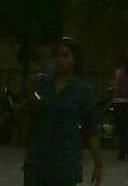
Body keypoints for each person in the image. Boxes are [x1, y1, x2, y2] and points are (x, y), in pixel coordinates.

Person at [23, 38, 102, 186]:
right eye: (57, 55)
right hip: (38, 161)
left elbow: (90, 129)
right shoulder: (41, 84)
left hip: (66, 162)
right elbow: (28, 117)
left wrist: (98, 163)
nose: (60, 59)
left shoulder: (83, 90)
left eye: (66, 55)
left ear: (75, 61)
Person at [110, 55, 128, 162]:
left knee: (120, 129)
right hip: (127, 102)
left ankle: (122, 153)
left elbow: (115, 87)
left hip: (118, 102)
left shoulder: (118, 73)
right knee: (127, 129)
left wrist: (111, 90)